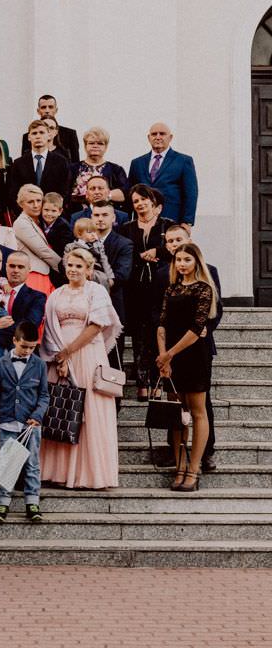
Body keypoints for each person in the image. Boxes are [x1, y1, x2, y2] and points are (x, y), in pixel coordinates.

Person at [40, 248, 122, 490]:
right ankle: (58, 471)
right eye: (70, 265)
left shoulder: (96, 291)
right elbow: (50, 328)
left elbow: (97, 326)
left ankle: (90, 474)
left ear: (88, 269)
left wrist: (69, 352)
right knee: (61, 408)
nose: (73, 269)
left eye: (78, 266)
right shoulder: (56, 294)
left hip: (87, 354)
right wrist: (60, 357)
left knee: (89, 411)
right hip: (59, 358)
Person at [156, 243, 218, 492]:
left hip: (193, 355)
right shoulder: (171, 289)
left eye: (187, 260)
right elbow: (161, 324)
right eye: (178, 259)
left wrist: (170, 353)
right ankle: (180, 466)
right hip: (171, 358)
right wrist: (163, 356)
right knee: (176, 414)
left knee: (197, 411)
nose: (181, 264)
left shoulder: (203, 289)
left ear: (196, 263)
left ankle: (194, 468)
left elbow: (196, 328)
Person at [0, 320, 49, 523]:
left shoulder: (39, 364)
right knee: (7, 463)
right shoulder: (1, 364)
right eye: (24, 346)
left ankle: (32, 502)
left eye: (32, 347)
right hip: (7, 421)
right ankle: (2, 503)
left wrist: (37, 416)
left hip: (30, 424)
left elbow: (44, 396)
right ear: (15, 340)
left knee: (32, 463)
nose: (27, 351)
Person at [119, 184, 176, 399]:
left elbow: (176, 248)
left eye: (144, 200)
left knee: (158, 333)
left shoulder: (168, 226)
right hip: (136, 289)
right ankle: (143, 382)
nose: (140, 204)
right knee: (140, 336)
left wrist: (157, 251)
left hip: (161, 287)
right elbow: (124, 251)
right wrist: (141, 256)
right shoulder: (127, 227)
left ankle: (158, 381)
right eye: (136, 201)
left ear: (154, 204)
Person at [127, 122, 198, 228]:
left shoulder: (183, 161)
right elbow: (130, 194)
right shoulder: (137, 163)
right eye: (154, 134)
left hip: (172, 220)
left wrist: (187, 222)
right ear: (149, 137)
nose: (158, 137)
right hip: (142, 222)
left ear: (170, 137)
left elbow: (191, 193)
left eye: (162, 134)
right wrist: (128, 221)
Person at [13, 184, 61, 295]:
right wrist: (64, 266)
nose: (36, 205)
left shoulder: (39, 221)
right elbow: (42, 250)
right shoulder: (21, 223)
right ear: (21, 204)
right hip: (34, 274)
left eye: (39, 201)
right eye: (30, 202)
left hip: (46, 274)